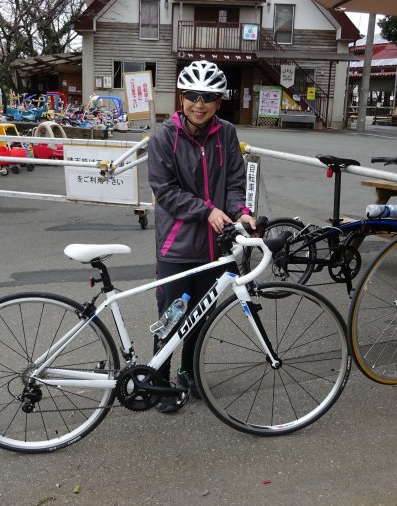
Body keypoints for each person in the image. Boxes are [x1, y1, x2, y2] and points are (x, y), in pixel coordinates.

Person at [147, 60, 256, 413]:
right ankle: (158, 380)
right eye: (193, 95)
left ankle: (188, 372)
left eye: (208, 97)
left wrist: (241, 211)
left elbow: (235, 182)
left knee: (201, 315)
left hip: (216, 246)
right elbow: (165, 190)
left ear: (218, 102)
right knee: (172, 315)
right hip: (176, 246)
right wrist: (206, 210)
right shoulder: (165, 136)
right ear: (182, 98)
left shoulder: (226, 133)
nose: (199, 103)